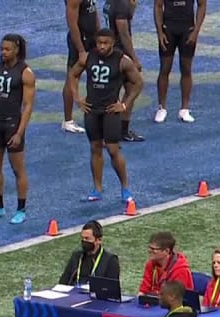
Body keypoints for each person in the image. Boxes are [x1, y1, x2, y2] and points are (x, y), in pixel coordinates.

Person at [68, 29, 142, 204]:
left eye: (105, 43)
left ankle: (125, 188)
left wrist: (124, 104)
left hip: (110, 111)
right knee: (95, 148)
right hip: (92, 110)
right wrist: (77, 98)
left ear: (113, 43)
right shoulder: (87, 57)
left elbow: (138, 82)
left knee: (113, 149)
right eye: (99, 42)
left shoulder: (122, 61)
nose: (101, 46)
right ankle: (97, 189)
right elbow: (73, 74)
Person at [0, 34, 35, 225]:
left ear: (17, 50)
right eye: (2, 49)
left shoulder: (25, 73)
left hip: (12, 125)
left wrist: (19, 132)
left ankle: (21, 209)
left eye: (7, 49)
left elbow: (27, 106)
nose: (3, 52)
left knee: (18, 169)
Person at [153, 0, 206, 123]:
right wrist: (160, 32)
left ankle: (185, 109)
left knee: (186, 69)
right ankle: (161, 108)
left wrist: (196, 31)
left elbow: (202, 4)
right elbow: (158, 5)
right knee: (164, 68)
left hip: (187, 29)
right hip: (168, 29)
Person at [105, 0, 145, 141]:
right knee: (134, 86)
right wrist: (134, 58)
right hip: (120, 54)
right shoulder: (121, 4)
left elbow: (128, 17)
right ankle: (119, 130)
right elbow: (124, 34)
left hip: (112, 51)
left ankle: (119, 129)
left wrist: (132, 5)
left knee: (122, 90)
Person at [63, 0, 99, 134]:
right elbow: (72, 24)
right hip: (80, 40)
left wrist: (99, 34)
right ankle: (68, 121)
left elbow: (94, 12)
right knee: (72, 77)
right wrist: (81, 50)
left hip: (92, 38)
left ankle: (97, 113)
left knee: (96, 74)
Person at [59, 221, 121, 285]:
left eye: (87, 238)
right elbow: (63, 282)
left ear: (99, 240)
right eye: (82, 238)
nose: (84, 241)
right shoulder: (76, 256)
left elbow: (112, 288)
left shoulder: (110, 260)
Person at [138, 230, 194, 295]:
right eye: (149, 247)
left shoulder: (180, 270)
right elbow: (144, 289)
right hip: (155, 299)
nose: (149, 251)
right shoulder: (150, 264)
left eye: (153, 249)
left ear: (166, 251)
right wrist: (140, 296)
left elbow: (175, 297)